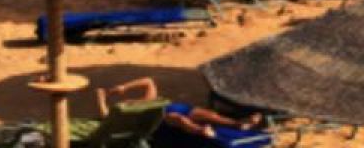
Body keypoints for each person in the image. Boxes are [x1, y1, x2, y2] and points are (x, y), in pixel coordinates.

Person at [94, 79, 262, 140]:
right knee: (178, 119)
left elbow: (148, 81)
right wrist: (101, 99)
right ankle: (201, 131)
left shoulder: (148, 100)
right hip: (159, 118)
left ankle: (238, 124)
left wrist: (123, 87)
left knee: (209, 114)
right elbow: (106, 117)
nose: (129, 101)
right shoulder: (127, 113)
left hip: (177, 107)